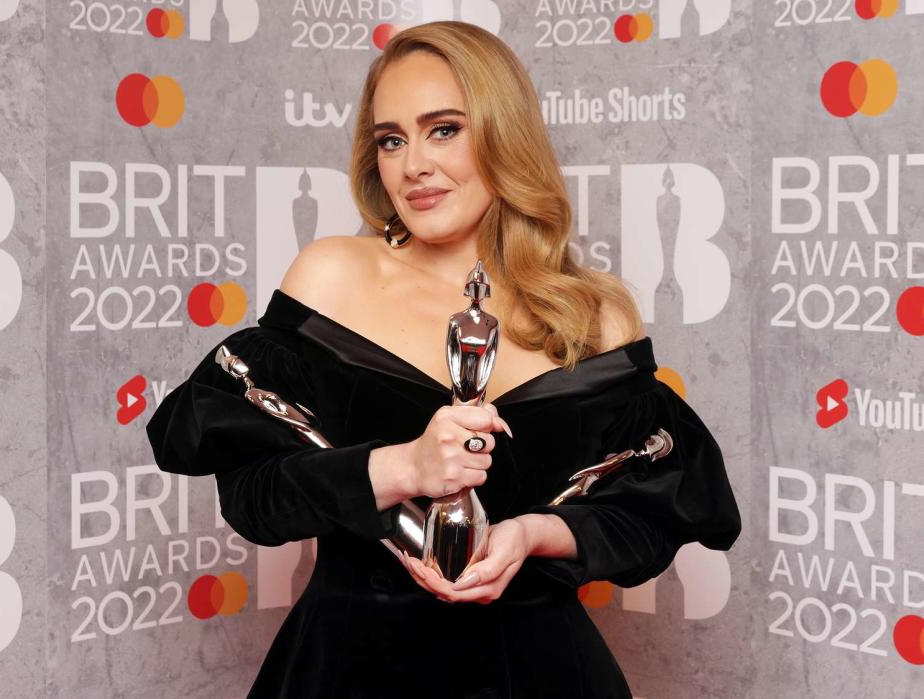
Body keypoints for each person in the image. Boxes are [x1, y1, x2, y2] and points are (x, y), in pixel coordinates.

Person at [146, 21, 741, 699]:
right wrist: (402, 466)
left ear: (503, 132)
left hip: (541, 673)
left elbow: (654, 516)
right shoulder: (333, 277)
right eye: (391, 140)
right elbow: (255, 496)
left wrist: (534, 534)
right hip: (347, 669)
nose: (413, 165)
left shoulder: (594, 317)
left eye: (444, 129)